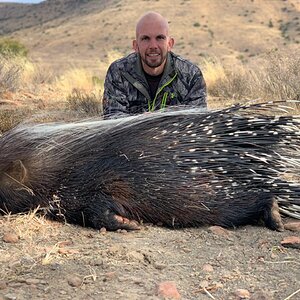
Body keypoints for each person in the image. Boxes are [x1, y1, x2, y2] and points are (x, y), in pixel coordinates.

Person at [103, 11, 207, 117]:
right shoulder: (119, 72)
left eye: (160, 38)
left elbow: (198, 121)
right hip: (133, 134)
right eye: (145, 39)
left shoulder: (191, 74)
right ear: (136, 46)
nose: (153, 46)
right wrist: (142, 123)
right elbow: (113, 119)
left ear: (170, 44)